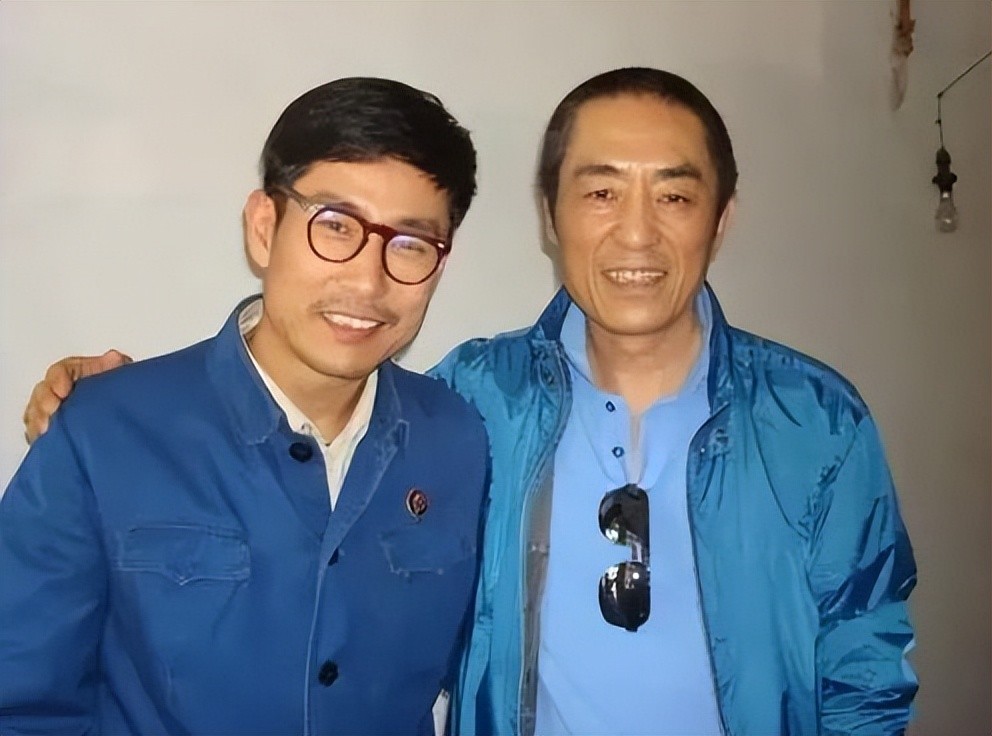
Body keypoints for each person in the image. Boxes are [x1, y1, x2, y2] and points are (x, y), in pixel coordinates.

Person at [20, 68, 918, 736]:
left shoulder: (816, 422)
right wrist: (105, 405)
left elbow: (867, 659)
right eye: (601, 192)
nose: (637, 232)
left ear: (721, 218)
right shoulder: (480, 400)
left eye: (675, 195)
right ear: (552, 216)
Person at [1, 77, 489, 735]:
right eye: (335, 226)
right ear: (264, 228)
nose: (367, 281)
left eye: (409, 244)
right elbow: (21, 703)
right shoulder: (105, 433)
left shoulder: (458, 440)